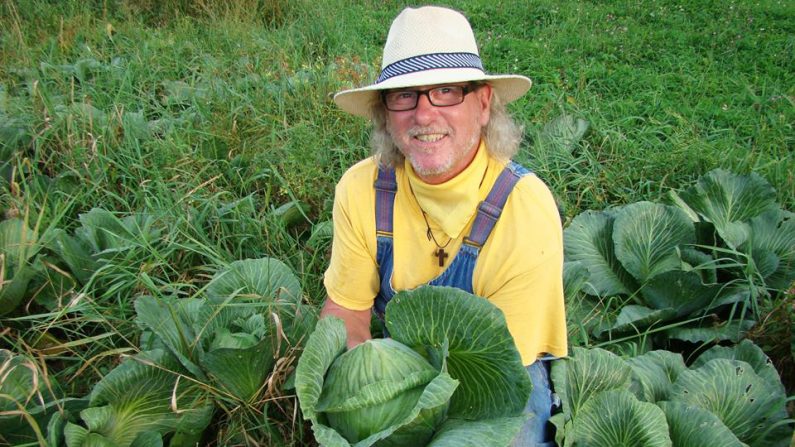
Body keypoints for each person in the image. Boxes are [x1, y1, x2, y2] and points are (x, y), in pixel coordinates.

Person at [320, 6, 567, 446]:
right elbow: (347, 312)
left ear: (484, 103)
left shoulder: (525, 209)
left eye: (447, 91)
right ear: (385, 112)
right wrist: (369, 390)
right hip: (401, 374)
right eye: (404, 95)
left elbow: (497, 370)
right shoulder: (360, 189)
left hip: (494, 384)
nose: (424, 114)